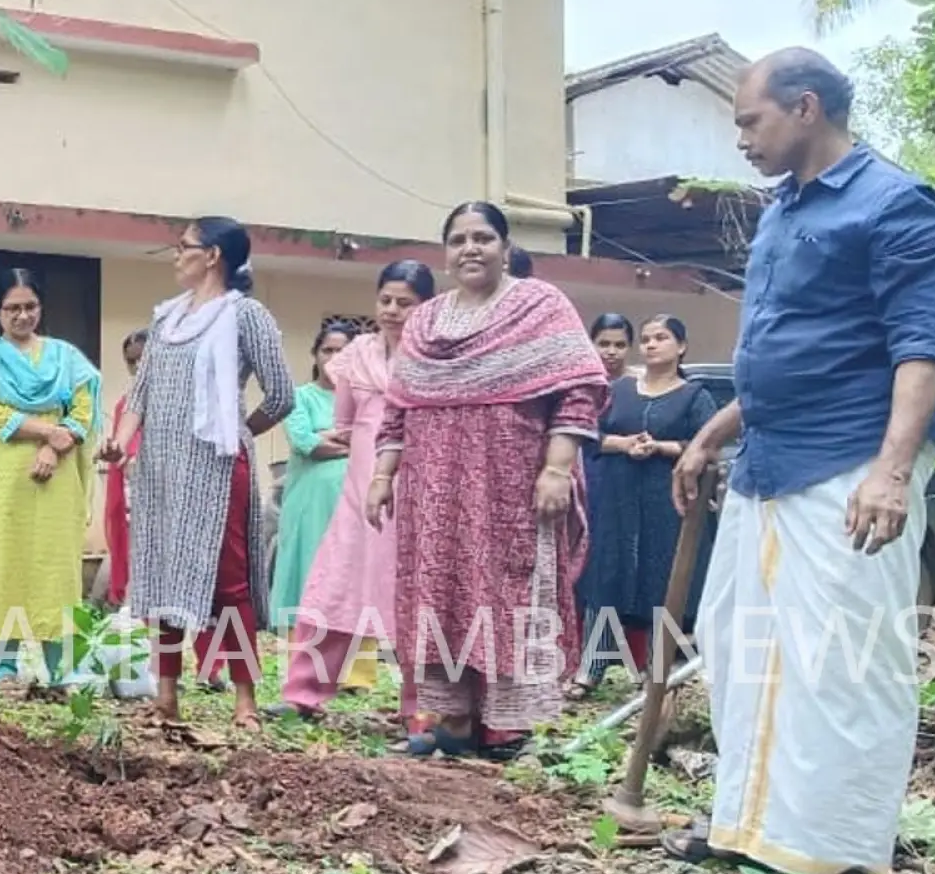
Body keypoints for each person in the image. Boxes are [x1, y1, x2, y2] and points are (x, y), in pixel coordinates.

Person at [664, 49, 935, 874]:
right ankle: (751, 827)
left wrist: (891, 471)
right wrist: (711, 432)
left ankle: (830, 858)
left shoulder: (895, 204)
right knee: (739, 643)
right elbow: (790, 350)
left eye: (749, 121)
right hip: (766, 462)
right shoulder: (783, 210)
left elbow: (921, 346)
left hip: (849, 466)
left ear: (806, 108)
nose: (740, 139)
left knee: (843, 663)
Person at [365, 202, 607, 760]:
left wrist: (557, 468)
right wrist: (383, 474)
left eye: (482, 238)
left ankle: (507, 728)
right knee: (441, 593)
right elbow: (400, 404)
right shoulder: (426, 320)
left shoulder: (540, 306)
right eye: (457, 240)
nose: (470, 248)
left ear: (504, 246)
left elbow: (578, 391)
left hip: (510, 483)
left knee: (506, 593)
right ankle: (453, 722)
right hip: (433, 489)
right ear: (446, 253)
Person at [102, 217, 295, 728]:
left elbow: (281, 395)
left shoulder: (245, 315)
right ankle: (166, 694)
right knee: (161, 571)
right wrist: (119, 446)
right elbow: (140, 396)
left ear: (212, 256)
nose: (174, 255)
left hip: (215, 465)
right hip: (161, 466)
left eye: (183, 247)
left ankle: (245, 699)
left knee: (229, 581)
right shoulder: (165, 320)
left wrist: (238, 430)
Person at [275, 262, 436, 724]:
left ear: (425, 307)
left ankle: (420, 708)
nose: (392, 310)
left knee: (416, 598)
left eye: (405, 303)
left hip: (418, 496)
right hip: (359, 496)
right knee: (334, 588)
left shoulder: (436, 359)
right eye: (385, 300)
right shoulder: (356, 358)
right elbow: (344, 426)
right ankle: (303, 693)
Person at [0, 268, 100, 686]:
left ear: (41, 308)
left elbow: (84, 413)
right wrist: (46, 430)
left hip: (55, 486)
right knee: (0, 567)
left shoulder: (66, 358)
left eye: (30, 306)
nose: (22, 316)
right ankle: (0, 667)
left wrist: (55, 447)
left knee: (56, 570)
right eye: (12, 308)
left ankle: (64, 668)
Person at [572, 314, 717, 696]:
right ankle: (591, 669)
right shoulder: (619, 391)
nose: (652, 344)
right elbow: (588, 435)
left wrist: (663, 448)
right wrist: (623, 444)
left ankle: (656, 671)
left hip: (666, 501)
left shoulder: (694, 396)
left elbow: (710, 446)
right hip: (618, 498)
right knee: (608, 576)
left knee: (661, 578)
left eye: (662, 338)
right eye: (648, 338)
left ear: (681, 347)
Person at [268, 319, 360, 636]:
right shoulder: (299, 398)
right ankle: (305, 664)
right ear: (315, 355)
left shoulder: (365, 399)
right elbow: (304, 443)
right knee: (308, 567)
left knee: (350, 574)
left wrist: (328, 435)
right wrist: (350, 440)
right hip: (309, 503)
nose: (333, 358)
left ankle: (354, 673)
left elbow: (373, 439)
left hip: (353, 501)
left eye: (342, 351)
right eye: (327, 350)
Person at [98, 330, 148, 608]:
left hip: (171, 489)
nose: (138, 365)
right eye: (131, 361)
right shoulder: (125, 402)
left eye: (143, 357)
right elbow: (124, 448)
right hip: (135, 490)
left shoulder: (179, 398)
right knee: (134, 552)